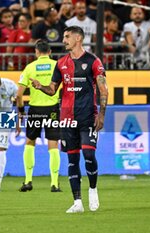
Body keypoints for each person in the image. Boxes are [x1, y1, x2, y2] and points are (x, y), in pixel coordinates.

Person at [30, 26, 108, 213]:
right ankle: (77, 202)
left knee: (89, 155)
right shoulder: (61, 63)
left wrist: (102, 114)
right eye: (64, 36)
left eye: (67, 37)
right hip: (66, 118)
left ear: (78, 38)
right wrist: (41, 86)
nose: (63, 40)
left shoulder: (93, 61)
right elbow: (52, 89)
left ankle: (93, 189)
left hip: (88, 116)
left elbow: (103, 89)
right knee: (72, 160)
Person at [16, 40, 61, 193]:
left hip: (35, 110)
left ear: (36, 52)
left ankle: (28, 180)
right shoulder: (57, 65)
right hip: (53, 109)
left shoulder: (30, 68)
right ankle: (54, 184)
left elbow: (18, 95)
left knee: (29, 143)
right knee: (53, 145)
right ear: (50, 52)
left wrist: (21, 112)